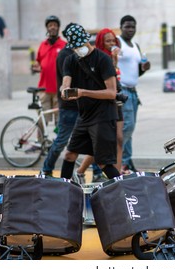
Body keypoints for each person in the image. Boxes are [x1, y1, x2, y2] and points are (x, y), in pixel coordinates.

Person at [59, 23, 121, 181]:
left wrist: (83, 92)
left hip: (103, 115)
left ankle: (125, 194)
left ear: (87, 41)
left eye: (80, 45)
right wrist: (64, 90)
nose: (78, 49)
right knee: (69, 155)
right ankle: (63, 190)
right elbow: (66, 82)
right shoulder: (71, 60)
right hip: (84, 116)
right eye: (75, 47)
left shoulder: (103, 59)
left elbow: (111, 92)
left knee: (103, 163)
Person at [74, 27, 124, 182]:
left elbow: (115, 81)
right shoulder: (98, 58)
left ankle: (117, 173)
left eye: (112, 41)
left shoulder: (110, 58)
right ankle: (81, 171)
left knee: (118, 139)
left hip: (116, 102)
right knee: (102, 142)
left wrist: (115, 61)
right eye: (107, 41)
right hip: (103, 106)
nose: (110, 44)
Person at [39, 23, 78, 178]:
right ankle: (46, 168)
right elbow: (68, 80)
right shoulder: (65, 55)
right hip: (69, 106)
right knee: (61, 141)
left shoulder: (77, 53)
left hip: (81, 105)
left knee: (89, 139)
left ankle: (95, 171)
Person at [117, 15, 151, 173]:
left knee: (130, 130)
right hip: (122, 90)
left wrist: (143, 68)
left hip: (133, 91)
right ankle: (117, 159)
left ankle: (126, 162)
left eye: (133, 27)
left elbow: (135, 72)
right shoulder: (117, 42)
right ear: (121, 27)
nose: (130, 30)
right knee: (127, 127)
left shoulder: (135, 45)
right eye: (127, 26)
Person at [31, 15, 66, 125]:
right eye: (50, 25)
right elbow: (38, 63)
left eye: (55, 25)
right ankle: (41, 141)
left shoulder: (64, 45)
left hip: (58, 89)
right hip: (44, 89)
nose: (52, 27)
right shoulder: (42, 45)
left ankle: (59, 142)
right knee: (41, 121)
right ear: (47, 28)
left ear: (58, 28)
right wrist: (36, 67)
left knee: (60, 121)